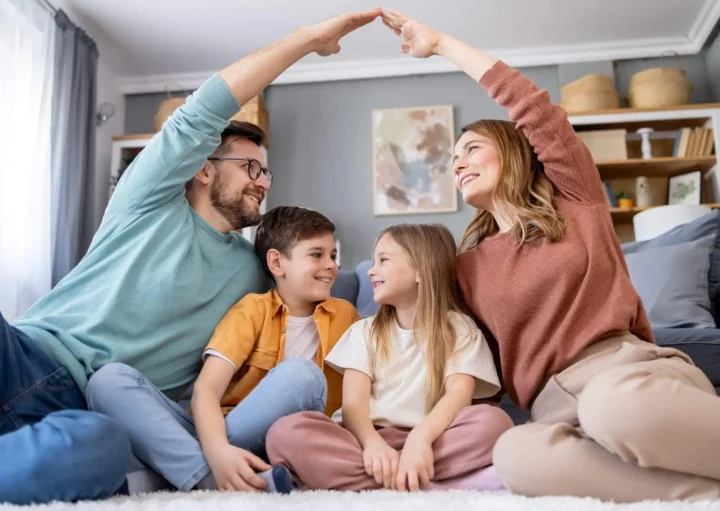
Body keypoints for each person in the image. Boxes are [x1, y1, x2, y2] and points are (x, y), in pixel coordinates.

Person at [1, 9, 381, 504]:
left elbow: (321, 294)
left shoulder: (256, 273)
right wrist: (305, 41)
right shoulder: (149, 201)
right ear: (203, 169)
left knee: (104, 450)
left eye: (266, 173)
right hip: (24, 356)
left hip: (88, 413)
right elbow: (204, 108)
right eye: (250, 167)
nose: (263, 182)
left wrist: (382, 277)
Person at [379, 8, 720, 503]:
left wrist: (440, 43)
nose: (459, 163)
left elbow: (536, 109)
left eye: (472, 148)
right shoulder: (465, 268)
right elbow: (455, 352)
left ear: (514, 152)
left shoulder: (575, 200)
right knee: (515, 455)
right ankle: (703, 492)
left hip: (630, 378)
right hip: (553, 409)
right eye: (454, 158)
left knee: (612, 406)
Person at [87, 206, 361, 493]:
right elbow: (206, 390)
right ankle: (214, 476)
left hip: (286, 442)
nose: (331, 265)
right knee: (107, 380)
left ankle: (189, 475)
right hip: (218, 430)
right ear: (277, 263)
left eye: (333, 256)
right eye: (316, 255)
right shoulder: (252, 311)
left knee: (303, 376)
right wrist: (217, 451)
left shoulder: (347, 317)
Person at [266, 224, 513, 492]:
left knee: (494, 423)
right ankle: (431, 481)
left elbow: (459, 394)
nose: (372, 270)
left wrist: (421, 439)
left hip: (434, 438)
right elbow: (353, 405)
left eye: (383, 260)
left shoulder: (460, 330)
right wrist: (372, 445)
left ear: (421, 270)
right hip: (365, 441)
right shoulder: (364, 331)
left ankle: (391, 475)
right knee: (285, 432)